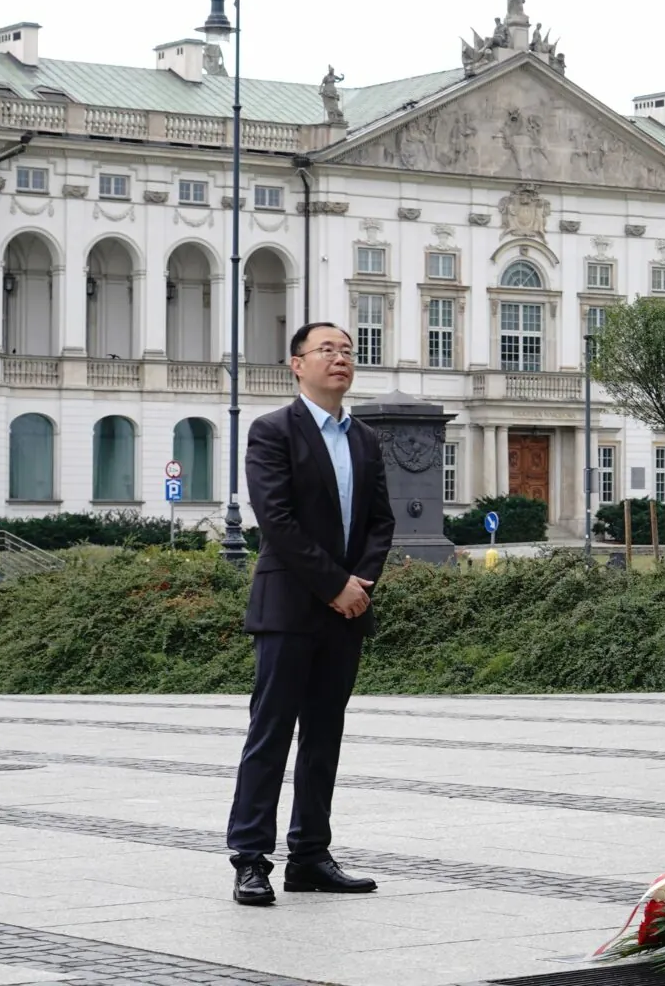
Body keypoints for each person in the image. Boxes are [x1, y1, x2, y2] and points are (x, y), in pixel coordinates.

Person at [225, 320, 395, 905]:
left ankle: (310, 856)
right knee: (269, 735)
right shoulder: (272, 431)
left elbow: (381, 521)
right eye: (327, 350)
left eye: (347, 350)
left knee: (325, 736)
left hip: (347, 608)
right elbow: (277, 521)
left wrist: (359, 584)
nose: (340, 358)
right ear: (296, 364)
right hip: (291, 606)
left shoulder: (365, 439)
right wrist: (333, 585)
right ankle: (250, 858)